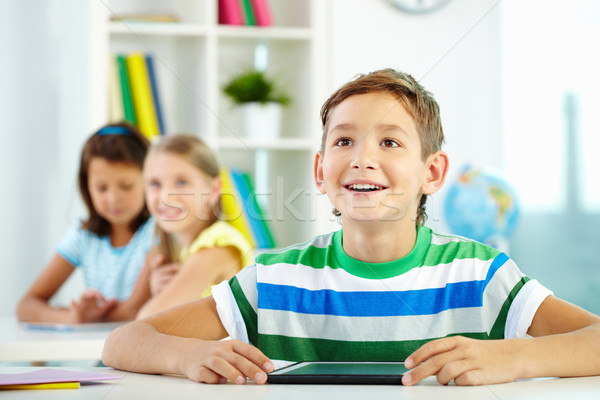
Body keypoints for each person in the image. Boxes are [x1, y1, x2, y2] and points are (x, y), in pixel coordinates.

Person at [102, 69, 600, 386]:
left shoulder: (482, 276)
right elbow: (123, 342)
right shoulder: (274, 280)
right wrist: (189, 357)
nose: (362, 159)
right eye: (344, 142)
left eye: (389, 142)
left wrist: (516, 359)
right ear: (320, 172)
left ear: (433, 173)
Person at [17, 123, 154, 323]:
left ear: (149, 179)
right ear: (86, 186)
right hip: (100, 350)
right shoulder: (83, 235)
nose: (114, 198)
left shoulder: (158, 231)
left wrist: (89, 318)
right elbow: (26, 306)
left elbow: (134, 311)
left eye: (126, 186)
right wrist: (73, 317)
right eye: (101, 188)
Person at [136, 134, 253, 319]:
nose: (166, 197)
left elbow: (146, 320)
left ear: (214, 190)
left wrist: (162, 300)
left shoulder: (219, 246)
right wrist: (161, 292)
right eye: (155, 183)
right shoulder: (185, 252)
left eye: (182, 182)